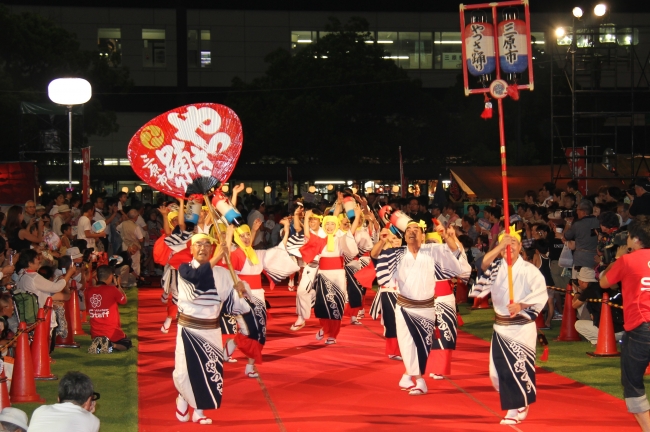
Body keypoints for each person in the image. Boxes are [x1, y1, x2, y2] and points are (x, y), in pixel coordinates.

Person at [376, 218, 467, 396]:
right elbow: (380, 269)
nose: (412, 231)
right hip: (403, 307)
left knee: (421, 345)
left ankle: (415, 378)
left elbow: (456, 260)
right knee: (406, 345)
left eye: (416, 229)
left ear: (422, 234)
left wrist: (448, 238)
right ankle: (417, 378)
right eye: (408, 229)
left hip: (425, 308)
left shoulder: (433, 251)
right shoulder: (396, 254)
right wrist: (382, 241)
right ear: (404, 235)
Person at [471, 226, 548, 425]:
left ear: (520, 245)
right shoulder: (496, 267)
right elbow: (483, 263)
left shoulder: (529, 270)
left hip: (521, 326)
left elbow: (541, 293)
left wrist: (521, 304)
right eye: (506, 242)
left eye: (513, 242)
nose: (510, 246)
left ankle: (516, 406)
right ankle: (515, 400)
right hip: (501, 327)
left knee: (516, 367)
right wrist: (499, 246)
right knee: (496, 372)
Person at [173, 233, 250, 425]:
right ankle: (182, 397)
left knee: (209, 370)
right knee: (184, 372)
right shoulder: (184, 270)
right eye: (198, 244)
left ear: (212, 248)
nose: (203, 248)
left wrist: (240, 289)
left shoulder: (224, 274)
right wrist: (219, 257)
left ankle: (199, 411)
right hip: (189, 329)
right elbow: (198, 286)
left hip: (212, 330)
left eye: (208, 244)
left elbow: (234, 304)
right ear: (191, 248)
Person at [600, 215, 650, 430]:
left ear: (636, 239)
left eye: (628, 236)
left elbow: (604, 282)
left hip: (641, 327)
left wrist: (617, 258)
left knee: (632, 382)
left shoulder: (627, 260)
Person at [28, 371, 100, 432]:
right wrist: (88, 414)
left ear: (58, 399)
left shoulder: (40, 410)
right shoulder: (92, 420)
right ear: (88, 401)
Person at [573, 267, 624, 345]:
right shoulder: (604, 287)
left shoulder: (589, 290)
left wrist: (577, 293)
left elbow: (574, 305)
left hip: (610, 331)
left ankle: (599, 342)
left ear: (582, 281)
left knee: (578, 324)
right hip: (624, 330)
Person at [85, 265, 131, 352]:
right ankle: (111, 345)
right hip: (111, 332)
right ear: (111, 277)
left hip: (95, 333)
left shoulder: (89, 290)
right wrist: (118, 286)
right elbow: (124, 300)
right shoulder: (112, 289)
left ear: (97, 277)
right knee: (127, 343)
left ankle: (100, 345)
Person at [563, 199, 600, 278]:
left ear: (583, 211)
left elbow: (566, 236)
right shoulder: (599, 221)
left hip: (581, 258)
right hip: (596, 257)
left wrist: (568, 223)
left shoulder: (578, 224)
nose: (576, 212)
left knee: (578, 283)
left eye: (578, 210)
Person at [116, 209, 144, 278]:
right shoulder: (136, 226)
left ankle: (125, 278)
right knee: (135, 263)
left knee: (125, 262)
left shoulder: (123, 224)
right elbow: (141, 239)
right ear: (136, 217)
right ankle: (135, 279)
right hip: (134, 247)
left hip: (125, 245)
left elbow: (117, 229)